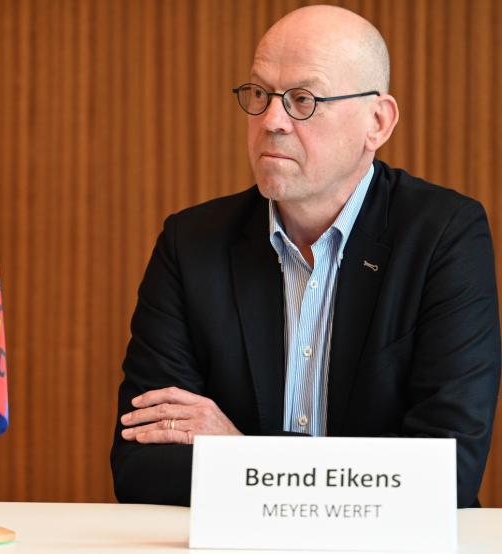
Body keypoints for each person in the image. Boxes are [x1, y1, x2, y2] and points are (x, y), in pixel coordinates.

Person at [112, 4, 500, 508]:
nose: (272, 121)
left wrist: (241, 454)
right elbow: (142, 466)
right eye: (260, 94)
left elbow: (444, 476)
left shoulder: (444, 236)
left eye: (303, 100)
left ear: (377, 123)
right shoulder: (191, 243)